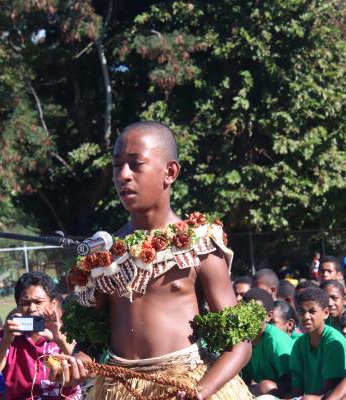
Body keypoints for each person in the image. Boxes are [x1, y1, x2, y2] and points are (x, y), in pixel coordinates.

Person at [59, 121, 254, 399]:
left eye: (135, 164)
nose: (123, 175)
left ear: (170, 172)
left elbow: (240, 343)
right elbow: (91, 340)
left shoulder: (200, 246)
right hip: (120, 388)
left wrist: (201, 390)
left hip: (187, 386)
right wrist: (78, 361)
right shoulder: (103, 254)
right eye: (117, 166)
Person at [0, 271, 81, 400]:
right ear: (17, 307)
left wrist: (59, 338)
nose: (32, 308)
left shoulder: (70, 331)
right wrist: (6, 341)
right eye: (25, 303)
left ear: (53, 304)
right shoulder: (8, 337)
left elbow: (87, 370)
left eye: (38, 302)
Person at [289, 287, 346, 398]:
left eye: (312, 311)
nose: (306, 317)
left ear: (325, 313)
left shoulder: (333, 343)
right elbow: (297, 389)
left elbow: (331, 388)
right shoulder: (299, 344)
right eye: (301, 311)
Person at [242, 288, 293, 397]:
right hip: (261, 391)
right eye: (245, 311)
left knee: (265, 386)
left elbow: (293, 379)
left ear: (268, 316)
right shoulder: (243, 339)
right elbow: (244, 379)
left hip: (290, 391)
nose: (249, 317)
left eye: (255, 312)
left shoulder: (275, 340)